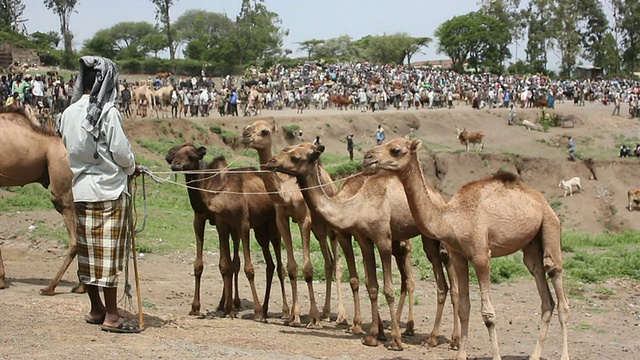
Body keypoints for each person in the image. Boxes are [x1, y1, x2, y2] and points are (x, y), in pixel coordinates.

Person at [58, 56, 141, 334]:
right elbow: (120, 151)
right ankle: (113, 316)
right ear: (107, 82)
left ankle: (96, 309)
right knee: (107, 257)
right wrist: (131, 167)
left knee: (89, 254)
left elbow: (69, 147)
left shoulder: (68, 113)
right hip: (109, 190)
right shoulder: (107, 112)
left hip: (81, 190)